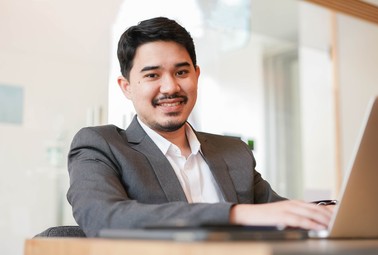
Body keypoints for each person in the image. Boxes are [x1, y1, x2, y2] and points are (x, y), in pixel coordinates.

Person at [67, 17, 333, 237]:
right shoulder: (101, 145)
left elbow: (279, 211)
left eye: (181, 72)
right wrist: (234, 213)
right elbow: (102, 217)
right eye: (152, 75)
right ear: (126, 87)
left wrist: (330, 212)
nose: (171, 87)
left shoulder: (234, 152)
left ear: (196, 75)